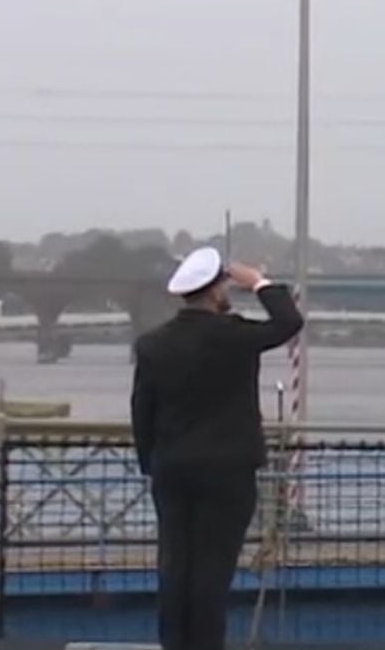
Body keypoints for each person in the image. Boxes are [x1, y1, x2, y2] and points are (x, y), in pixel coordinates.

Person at [131, 246, 304, 650]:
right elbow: (289, 322)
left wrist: (151, 462)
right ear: (213, 291)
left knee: (175, 565)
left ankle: (174, 643)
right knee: (213, 568)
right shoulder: (235, 336)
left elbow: (142, 409)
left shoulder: (153, 344)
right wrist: (258, 282)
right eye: (224, 285)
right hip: (228, 470)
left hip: (173, 468)